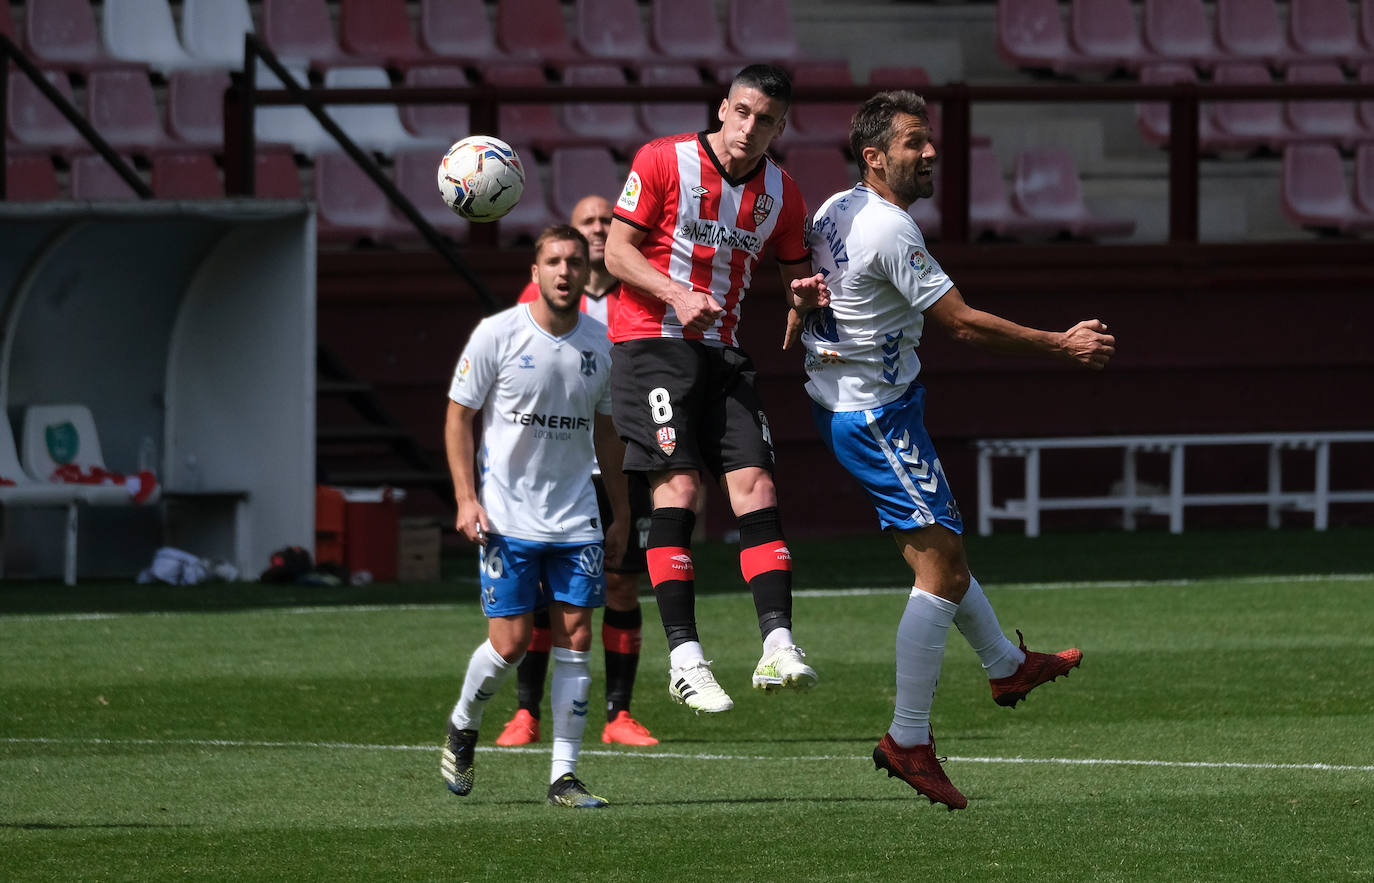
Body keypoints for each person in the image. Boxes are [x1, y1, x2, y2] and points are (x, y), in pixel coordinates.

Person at [797, 91, 1115, 810]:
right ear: (875, 157)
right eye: (915, 142)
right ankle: (907, 738)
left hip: (865, 399)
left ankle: (1006, 664)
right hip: (873, 414)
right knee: (939, 572)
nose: (931, 151)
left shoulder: (835, 209)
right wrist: (1060, 343)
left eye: (929, 140)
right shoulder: (888, 229)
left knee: (944, 554)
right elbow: (963, 325)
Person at [603, 63, 831, 714]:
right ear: (723, 107)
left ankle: (779, 644)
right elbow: (617, 253)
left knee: (757, 486)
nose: (748, 127)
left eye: (765, 120)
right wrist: (676, 291)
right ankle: (685, 660)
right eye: (741, 111)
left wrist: (802, 296)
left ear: (780, 127)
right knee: (679, 488)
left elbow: (794, 274)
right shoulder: (663, 159)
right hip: (650, 342)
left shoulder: (783, 194)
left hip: (724, 353)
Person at [439, 225, 630, 809]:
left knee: (577, 636)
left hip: (576, 518)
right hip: (506, 517)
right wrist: (466, 499)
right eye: (554, 261)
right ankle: (463, 723)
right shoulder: (496, 334)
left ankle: (564, 778)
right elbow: (458, 418)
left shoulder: (601, 345)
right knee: (512, 643)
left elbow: (607, 432)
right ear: (536, 271)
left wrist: (621, 512)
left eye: (574, 261)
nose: (566, 271)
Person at [497, 194, 659, 748]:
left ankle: (619, 716)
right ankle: (526, 713)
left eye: (604, 221)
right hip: (554, 466)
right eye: (587, 221)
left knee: (620, 581)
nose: (596, 230)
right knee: (542, 590)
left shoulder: (639, 293)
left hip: (622, 460)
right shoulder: (535, 299)